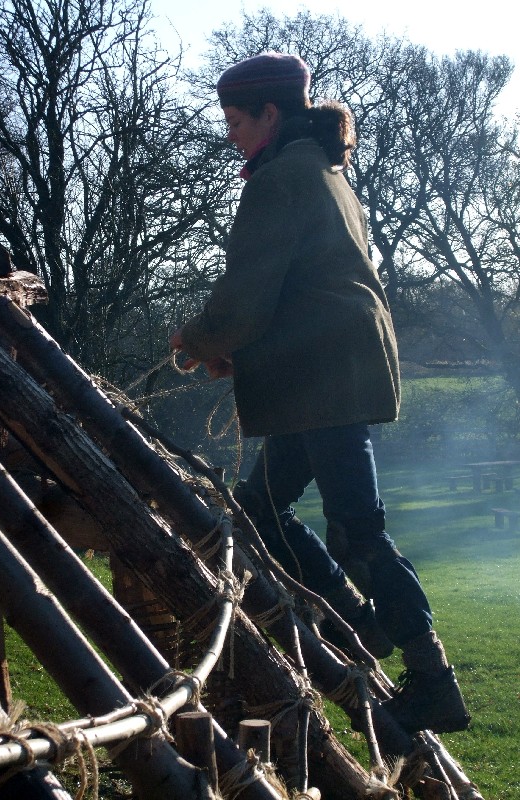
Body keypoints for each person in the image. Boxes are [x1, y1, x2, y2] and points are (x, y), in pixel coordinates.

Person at [170, 52, 470, 734]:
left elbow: (246, 298)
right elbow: (307, 295)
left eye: (238, 119)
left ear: (271, 114)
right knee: (262, 512)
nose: (231, 134)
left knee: (357, 529)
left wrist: (200, 337)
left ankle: (432, 677)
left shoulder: (282, 179)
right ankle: (361, 621)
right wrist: (242, 358)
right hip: (323, 373)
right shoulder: (324, 172)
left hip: (326, 380)